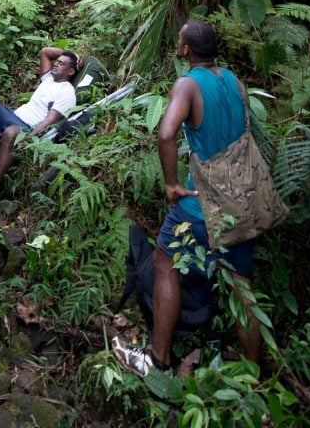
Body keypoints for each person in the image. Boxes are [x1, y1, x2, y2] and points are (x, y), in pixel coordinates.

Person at [112, 21, 260, 377]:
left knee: (165, 262)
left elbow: (166, 133)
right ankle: (255, 380)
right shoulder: (234, 81)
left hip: (199, 202)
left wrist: (172, 183)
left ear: (186, 50)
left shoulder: (188, 84)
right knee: (242, 288)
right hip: (240, 200)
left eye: (180, 41)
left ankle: (158, 359)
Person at [0, 47, 81, 216]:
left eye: (61, 63)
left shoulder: (67, 92)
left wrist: (28, 138)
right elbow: (45, 52)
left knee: (11, 133)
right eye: (57, 61)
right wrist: (73, 54)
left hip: (25, 128)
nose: (56, 64)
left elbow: (49, 121)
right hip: (11, 116)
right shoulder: (48, 79)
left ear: (71, 70)